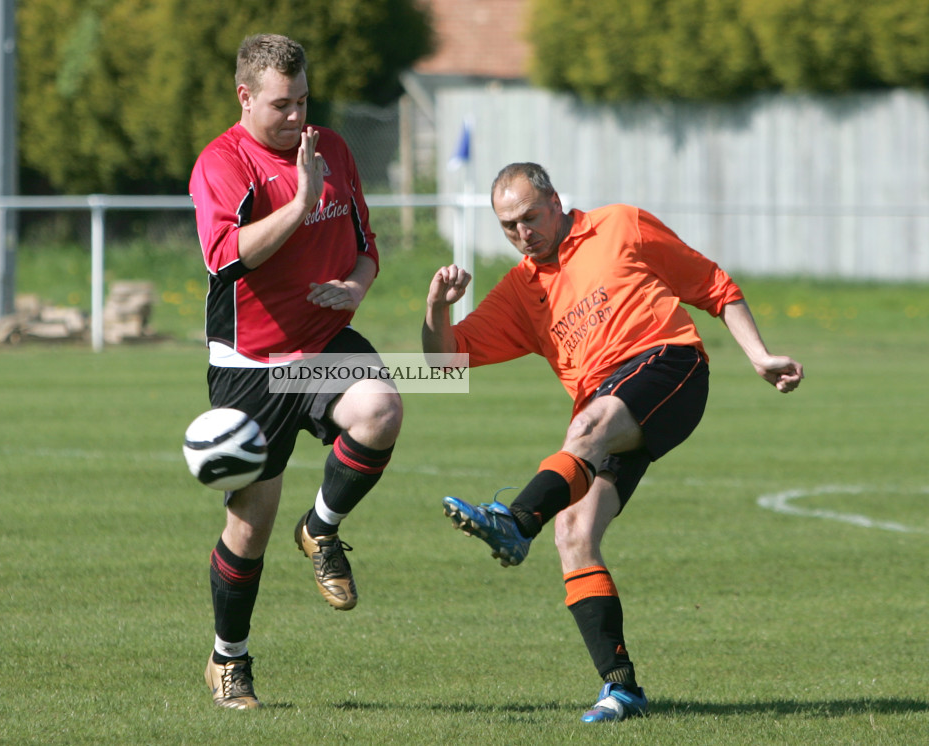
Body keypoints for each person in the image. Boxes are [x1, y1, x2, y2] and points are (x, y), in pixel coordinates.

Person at [424, 162, 802, 723]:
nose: (522, 232)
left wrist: (759, 355)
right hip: (604, 409)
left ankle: (515, 520)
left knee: (586, 430)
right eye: (508, 225)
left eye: (530, 216)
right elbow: (441, 359)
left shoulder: (620, 225)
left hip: (669, 365)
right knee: (573, 533)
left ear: (554, 201)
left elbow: (713, 284)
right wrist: (437, 306)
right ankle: (622, 690)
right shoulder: (521, 290)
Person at [188, 34, 402, 709]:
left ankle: (322, 529)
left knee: (382, 410)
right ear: (245, 96)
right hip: (252, 362)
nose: (295, 115)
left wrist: (357, 288)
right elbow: (226, 256)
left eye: (304, 99)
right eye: (282, 104)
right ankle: (229, 661)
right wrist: (300, 204)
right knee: (248, 526)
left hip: (324, 341)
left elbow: (367, 248)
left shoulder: (330, 147)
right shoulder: (222, 163)